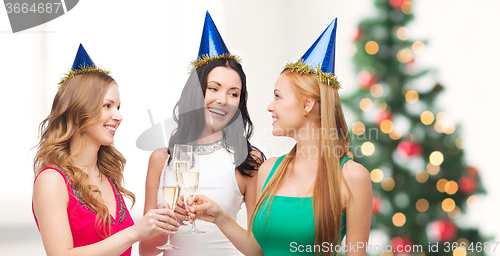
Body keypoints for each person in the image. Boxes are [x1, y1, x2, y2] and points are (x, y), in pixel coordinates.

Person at [188, 18, 373, 256]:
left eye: (278, 96)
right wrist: (220, 217)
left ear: (307, 104)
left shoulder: (352, 177)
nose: (269, 106)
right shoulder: (269, 170)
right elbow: (257, 250)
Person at [32, 44, 179, 256]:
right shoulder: (52, 180)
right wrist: (135, 231)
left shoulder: (107, 176)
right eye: (107, 106)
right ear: (79, 110)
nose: (118, 116)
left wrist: (167, 222)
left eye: (118, 107)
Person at [138, 11, 264, 256]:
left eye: (233, 93)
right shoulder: (161, 159)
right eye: (213, 88)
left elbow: (258, 250)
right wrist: (169, 219)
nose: (223, 100)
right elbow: (146, 251)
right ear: (196, 93)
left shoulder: (249, 160)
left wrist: (220, 217)